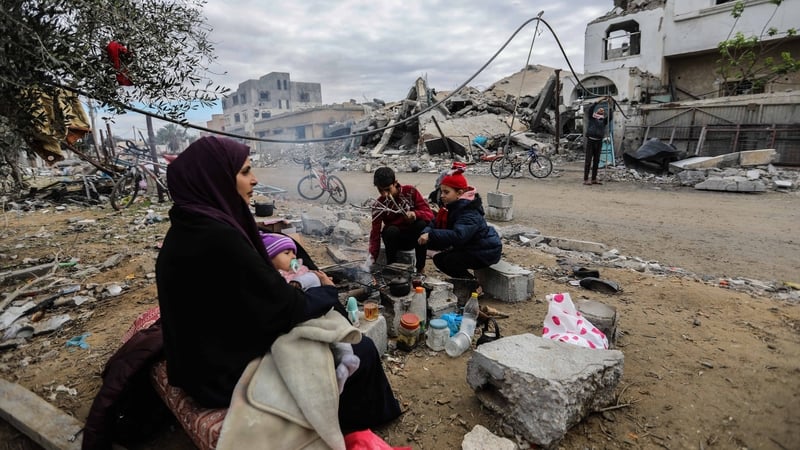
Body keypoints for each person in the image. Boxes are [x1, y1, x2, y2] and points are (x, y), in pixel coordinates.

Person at [155, 136, 401, 433]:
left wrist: (296, 288)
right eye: (245, 172)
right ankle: (357, 425)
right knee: (361, 351)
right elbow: (283, 310)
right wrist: (324, 290)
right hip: (220, 376)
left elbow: (249, 297)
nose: (255, 180)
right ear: (216, 178)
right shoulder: (219, 238)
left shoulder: (189, 226)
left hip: (202, 362)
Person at [417, 168, 502, 294]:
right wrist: (426, 232)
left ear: (459, 193)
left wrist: (431, 234)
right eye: (441, 192)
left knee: (446, 260)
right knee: (430, 247)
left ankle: (473, 285)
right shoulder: (451, 206)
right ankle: (419, 270)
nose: (442, 196)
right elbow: (434, 223)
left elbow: (459, 235)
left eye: (446, 192)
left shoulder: (469, 212)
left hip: (485, 250)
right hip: (470, 246)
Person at [369, 166, 434, 273]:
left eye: (387, 189)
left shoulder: (410, 192)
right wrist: (372, 257)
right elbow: (375, 233)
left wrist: (415, 214)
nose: (385, 194)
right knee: (390, 230)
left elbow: (430, 215)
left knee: (421, 224)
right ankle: (392, 268)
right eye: (380, 190)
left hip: (413, 238)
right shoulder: (379, 205)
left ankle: (420, 268)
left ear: (395, 183)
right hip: (394, 240)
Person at [583, 101, 609, 185]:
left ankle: (594, 179)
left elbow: (610, 117)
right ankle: (586, 179)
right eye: (600, 109)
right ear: (597, 111)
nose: (601, 110)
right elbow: (590, 109)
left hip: (599, 141)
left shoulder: (603, 121)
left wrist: (611, 106)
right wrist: (597, 102)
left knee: (596, 161)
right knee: (588, 161)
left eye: (603, 110)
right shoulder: (592, 118)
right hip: (591, 140)